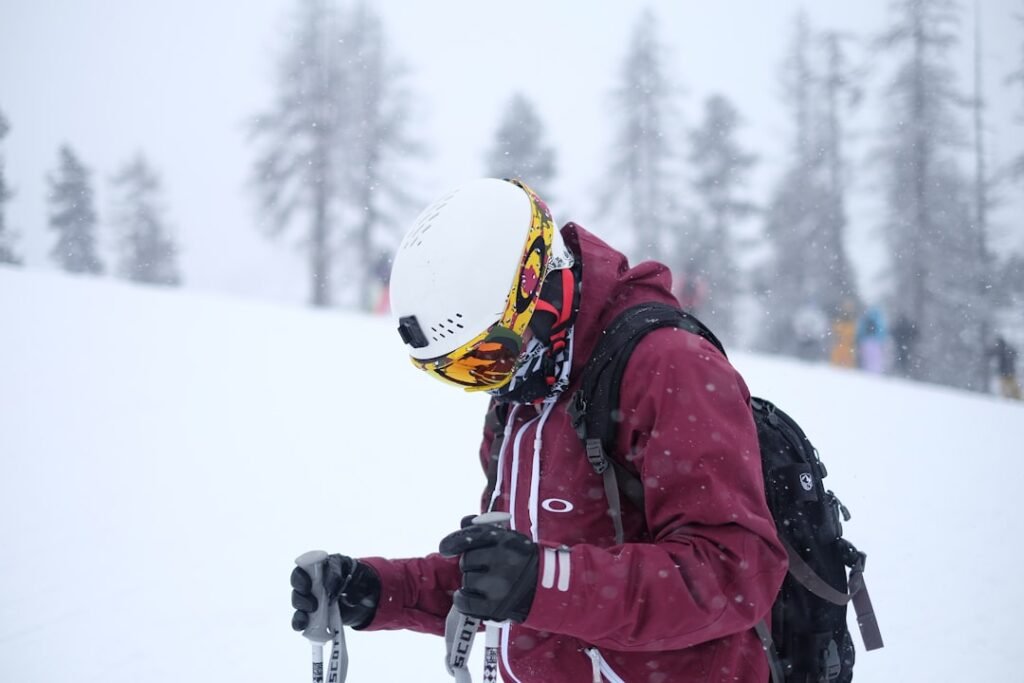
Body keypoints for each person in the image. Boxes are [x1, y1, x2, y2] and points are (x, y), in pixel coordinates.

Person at [289, 178, 788, 682]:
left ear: (539, 288)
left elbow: (735, 571)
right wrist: (381, 590)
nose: (492, 383)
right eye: (462, 372)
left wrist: (540, 581)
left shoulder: (669, 367)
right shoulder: (523, 400)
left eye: (489, 357)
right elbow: (504, 578)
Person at [856, 306, 889, 375]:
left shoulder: (866, 320)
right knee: (875, 360)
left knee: (867, 360)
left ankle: (867, 373)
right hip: (875, 343)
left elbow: (861, 331)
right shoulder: (879, 320)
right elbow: (882, 332)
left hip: (867, 342)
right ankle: (875, 373)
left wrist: (861, 339)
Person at [988, 336, 1022, 400]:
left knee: (1005, 389)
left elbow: (990, 353)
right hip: (1011, 372)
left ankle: (1008, 400)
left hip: (1003, 373)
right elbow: (1016, 354)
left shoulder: (1000, 349)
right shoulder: (1009, 348)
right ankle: (1018, 398)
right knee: (1014, 387)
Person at [829, 299, 858, 369]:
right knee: (836, 365)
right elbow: (835, 332)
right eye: (846, 306)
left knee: (847, 365)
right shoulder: (839, 317)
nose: (848, 308)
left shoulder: (853, 319)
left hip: (848, 346)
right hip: (839, 345)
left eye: (849, 306)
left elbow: (854, 335)